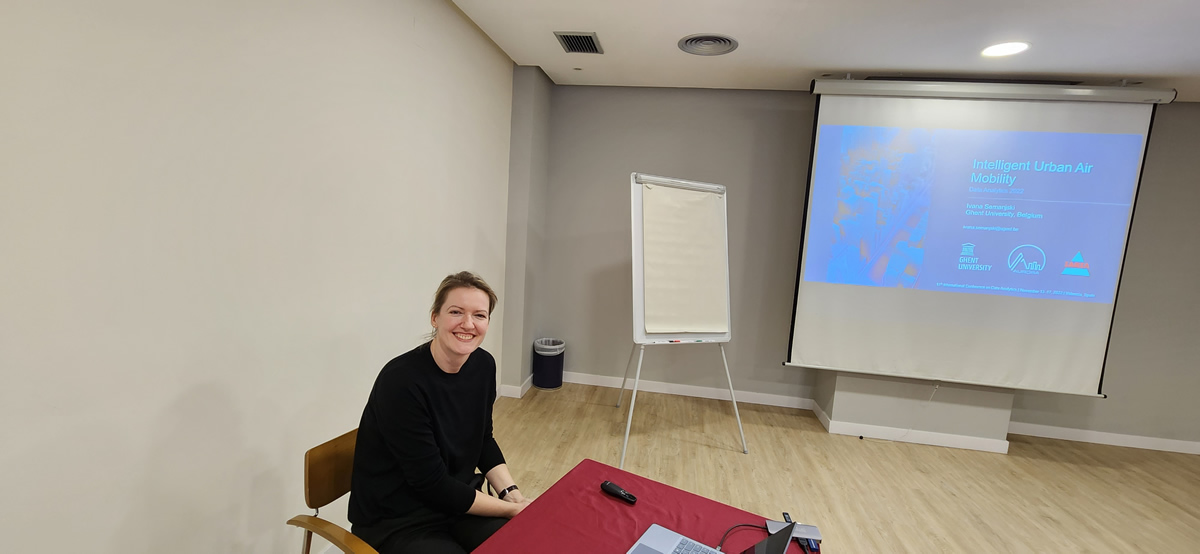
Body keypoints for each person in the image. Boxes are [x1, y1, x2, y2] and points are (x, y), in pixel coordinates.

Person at [349, 271, 530, 554]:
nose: (468, 324)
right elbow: (430, 483)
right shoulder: (401, 381)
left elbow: (483, 439)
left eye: (479, 315)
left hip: (458, 503)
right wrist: (508, 511)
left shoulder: (483, 365)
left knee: (521, 544)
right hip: (399, 519)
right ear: (435, 318)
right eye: (456, 312)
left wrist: (513, 496)